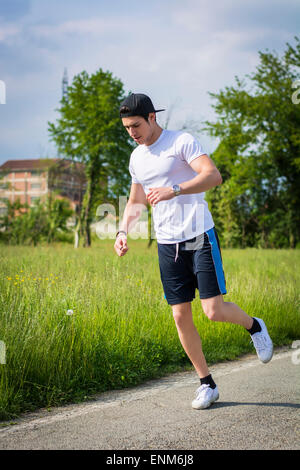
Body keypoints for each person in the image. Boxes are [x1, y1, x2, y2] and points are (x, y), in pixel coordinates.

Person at [114, 93, 273, 410]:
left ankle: (254, 326)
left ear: (152, 118)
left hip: (199, 236)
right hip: (167, 244)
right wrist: (122, 231)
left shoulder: (181, 142)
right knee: (179, 315)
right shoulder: (137, 159)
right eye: (126, 128)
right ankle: (207, 384)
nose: (132, 132)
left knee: (213, 311)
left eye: (135, 125)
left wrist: (175, 189)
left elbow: (213, 176)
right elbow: (135, 201)